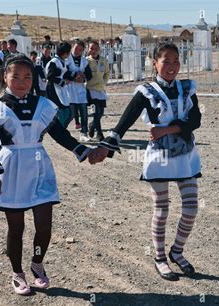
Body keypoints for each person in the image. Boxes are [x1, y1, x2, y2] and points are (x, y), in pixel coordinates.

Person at [89, 43, 202, 281]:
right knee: (161, 210)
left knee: (191, 209)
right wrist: (107, 144)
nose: (172, 66)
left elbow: (196, 119)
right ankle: (160, 258)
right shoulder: (146, 91)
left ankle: (177, 251)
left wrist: (167, 129)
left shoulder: (187, 88)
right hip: (159, 156)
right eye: (166, 61)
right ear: (155, 64)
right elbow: (125, 120)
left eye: (176, 61)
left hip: (185, 154)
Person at [0, 54, 93, 295]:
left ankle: (37, 262)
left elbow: (60, 134)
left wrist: (82, 151)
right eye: (16, 76)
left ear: (33, 79)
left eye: (27, 77)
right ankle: (17, 273)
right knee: (16, 228)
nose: (22, 81)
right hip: (11, 170)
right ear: (5, 77)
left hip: (40, 168)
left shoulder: (43, 105)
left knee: (44, 227)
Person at [67, 40, 92, 141]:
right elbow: (64, 72)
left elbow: (89, 75)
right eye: (76, 48)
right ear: (73, 47)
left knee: (84, 114)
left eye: (80, 50)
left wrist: (83, 78)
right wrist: (74, 77)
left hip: (81, 92)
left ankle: (84, 133)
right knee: (70, 115)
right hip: (69, 91)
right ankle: (61, 132)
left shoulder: (84, 61)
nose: (78, 51)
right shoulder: (66, 60)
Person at [45, 42, 73, 128]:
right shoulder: (54, 62)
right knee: (62, 112)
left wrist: (75, 76)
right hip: (54, 90)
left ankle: (62, 129)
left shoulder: (62, 62)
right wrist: (63, 82)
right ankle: (60, 130)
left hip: (61, 90)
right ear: (65, 53)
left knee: (68, 113)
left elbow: (65, 73)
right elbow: (50, 76)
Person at [86, 40, 109, 141]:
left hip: (100, 90)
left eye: (95, 48)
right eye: (91, 48)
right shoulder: (86, 61)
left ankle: (92, 125)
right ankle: (99, 134)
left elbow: (107, 73)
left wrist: (104, 82)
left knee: (101, 113)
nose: (93, 50)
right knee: (96, 112)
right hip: (90, 90)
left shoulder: (103, 60)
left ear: (99, 50)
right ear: (88, 49)